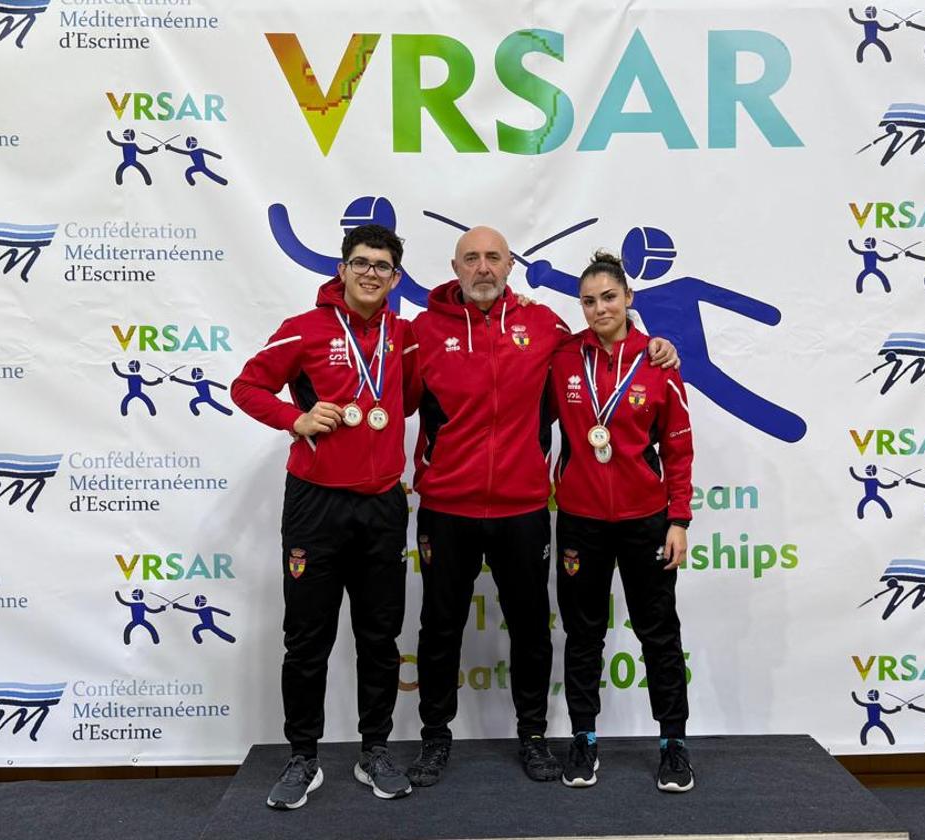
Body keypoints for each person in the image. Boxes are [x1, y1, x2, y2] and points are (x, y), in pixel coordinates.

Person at [405, 228, 677, 786]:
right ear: (454, 267)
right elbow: (386, 395)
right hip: (446, 507)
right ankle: (435, 738)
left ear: (510, 266)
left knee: (531, 628)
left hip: (523, 507)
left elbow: (601, 355)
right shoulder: (423, 331)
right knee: (439, 627)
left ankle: (533, 735)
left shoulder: (544, 326)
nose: (483, 268)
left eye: (494, 258)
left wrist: (654, 343)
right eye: (472, 259)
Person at [231, 224, 417, 809]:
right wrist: (296, 420)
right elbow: (246, 386)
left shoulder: (405, 336)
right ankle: (302, 757)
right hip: (316, 505)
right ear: (341, 269)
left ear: (395, 277)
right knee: (307, 638)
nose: (370, 273)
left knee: (379, 636)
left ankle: (374, 751)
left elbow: (417, 394)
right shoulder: (305, 330)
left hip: (383, 503)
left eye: (382, 266)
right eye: (360, 262)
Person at [549, 251, 695, 791]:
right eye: (588, 300)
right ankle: (584, 738)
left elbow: (678, 449)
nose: (598, 307)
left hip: (645, 522)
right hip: (581, 521)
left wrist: (678, 519)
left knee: (658, 633)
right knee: (583, 634)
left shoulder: (657, 363)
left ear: (629, 298)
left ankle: (673, 742)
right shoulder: (564, 358)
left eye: (608, 296)